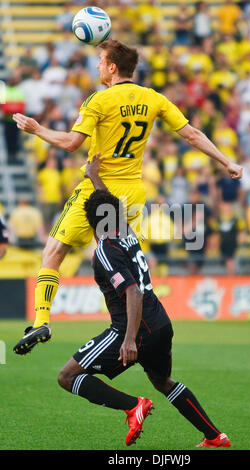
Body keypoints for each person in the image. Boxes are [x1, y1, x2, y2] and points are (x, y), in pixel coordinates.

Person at [12, 39, 242, 354]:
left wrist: (37, 129)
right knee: (113, 261)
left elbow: (70, 143)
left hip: (97, 189)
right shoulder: (153, 98)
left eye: (100, 60)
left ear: (112, 67)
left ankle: (42, 321)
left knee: (53, 252)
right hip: (131, 193)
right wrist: (226, 161)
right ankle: (136, 330)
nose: (96, 65)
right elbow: (191, 133)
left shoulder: (99, 100)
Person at [47, 154, 232, 447]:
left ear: (89, 222)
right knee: (163, 382)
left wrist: (129, 339)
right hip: (161, 323)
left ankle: (133, 406)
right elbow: (107, 203)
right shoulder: (126, 231)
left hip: (134, 329)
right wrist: (94, 176)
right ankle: (214, 436)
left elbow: (132, 291)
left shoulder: (106, 250)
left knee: (67, 376)